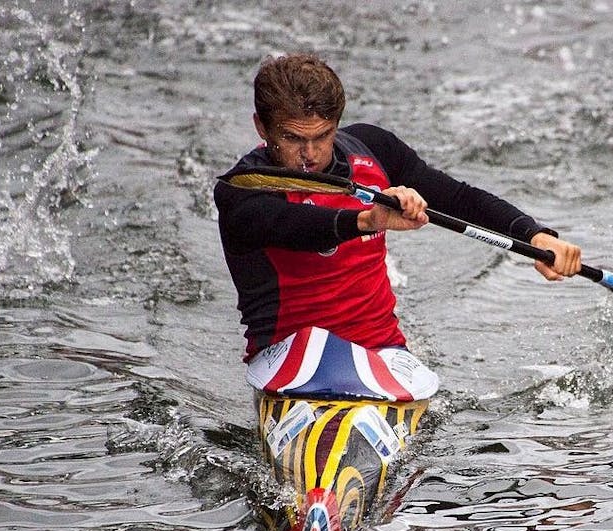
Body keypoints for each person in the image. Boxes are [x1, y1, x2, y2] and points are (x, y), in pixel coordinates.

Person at [214, 52, 581, 364]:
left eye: (322, 136)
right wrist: (366, 220)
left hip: (382, 353)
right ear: (262, 128)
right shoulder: (241, 189)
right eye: (293, 138)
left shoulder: (373, 148)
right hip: (287, 360)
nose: (309, 154)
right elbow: (294, 226)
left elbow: (459, 198)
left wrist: (533, 234)